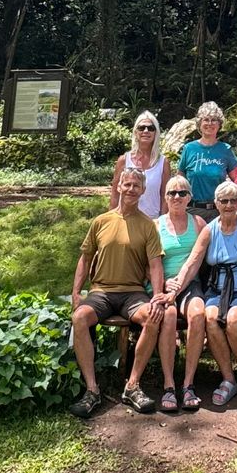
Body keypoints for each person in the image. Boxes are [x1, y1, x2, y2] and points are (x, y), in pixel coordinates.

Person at [68, 167, 170, 417]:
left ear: (143, 190)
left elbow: (155, 264)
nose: (131, 189)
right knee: (80, 318)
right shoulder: (101, 221)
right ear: (119, 187)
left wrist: (157, 295)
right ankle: (92, 390)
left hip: (133, 294)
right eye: (127, 184)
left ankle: (132, 385)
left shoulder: (148, 225)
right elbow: (85, 258)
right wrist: (76, 292)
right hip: (101, 292)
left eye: (137, 185)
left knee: (153, 317)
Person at [168, 176, 237, 407]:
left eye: (233, 200)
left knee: (234, 319)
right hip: (218, 287)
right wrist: (175, 287)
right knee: (210, 317)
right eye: (224, 200)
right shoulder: (209, 230)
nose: (228, 205)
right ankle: (228, 378)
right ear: (216, 203)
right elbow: (192, 263)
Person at [152, 175, 209, 412]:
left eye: (182, 193)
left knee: (197, 314)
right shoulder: (155, 226)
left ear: (190, 198)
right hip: (161, 285)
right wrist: (164, 286)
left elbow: (197, 261)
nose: (177, 197)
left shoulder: (198, 224)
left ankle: (188, 384)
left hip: (189, 284)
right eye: (172, 193)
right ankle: (168, 384)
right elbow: (149, 263)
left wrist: (179, 286)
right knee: (168, 316)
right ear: (165, 198)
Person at [178, 100, 236, 217]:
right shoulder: (189, 149)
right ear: (199, 124)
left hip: (218, 212)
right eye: (206, 119)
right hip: (192, 211)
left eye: (214, 120)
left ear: (219, 124)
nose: (210, 123)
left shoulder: (225, 149)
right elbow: (180, 181)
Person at [109, 109, 168, 218]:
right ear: (136, 132)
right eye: (141, 128)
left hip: (153, 221)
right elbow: (115, 195)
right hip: (126, 219)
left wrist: (163, 223)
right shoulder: (123, 160)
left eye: (151, 128)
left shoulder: (163, 162)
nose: (146, 131)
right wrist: (111, 220)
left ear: (156, 133)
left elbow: (165, 196)